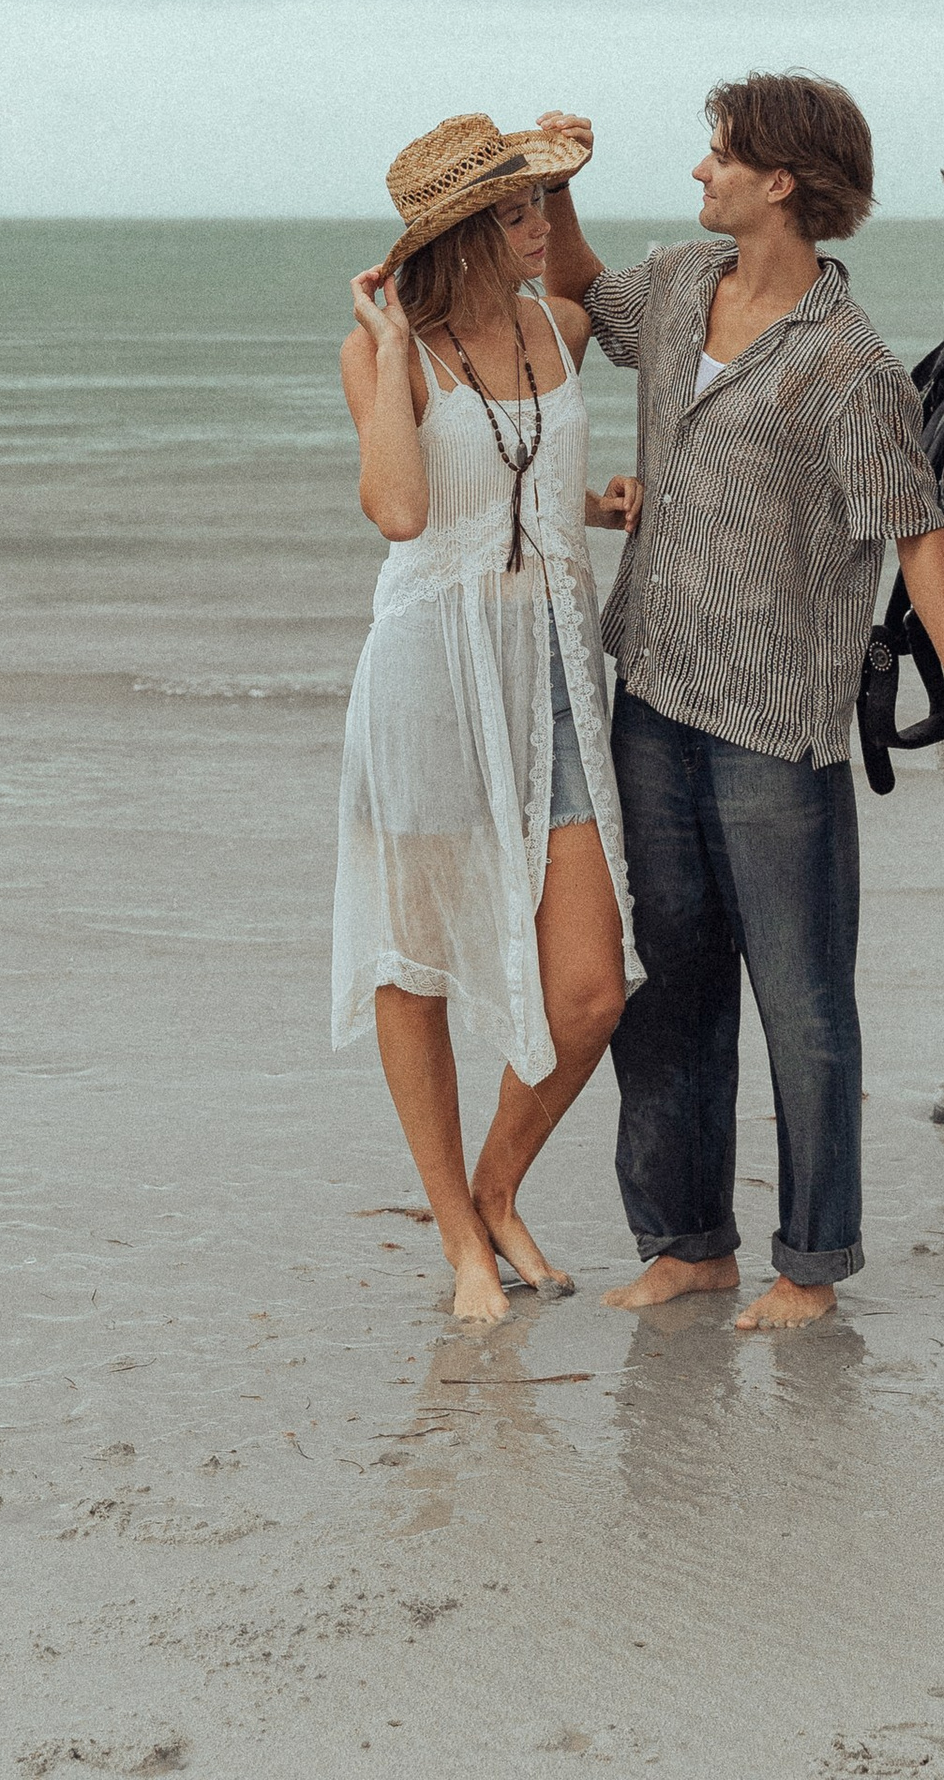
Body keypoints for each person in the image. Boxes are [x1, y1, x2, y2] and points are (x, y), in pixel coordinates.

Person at [537, 73, 944, 1330]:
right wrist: (551, 181)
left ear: (782, 184)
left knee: (801, 1000)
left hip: (779, 724)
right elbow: (583, 294)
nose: (700, 172)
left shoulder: (849, 367)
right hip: (650, 688)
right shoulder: (674, 284)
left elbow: (915, 534)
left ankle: (811, 1264)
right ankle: (688, 1243)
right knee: (676, 982)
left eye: (719, 156)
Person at [334, 112, 643, 1324]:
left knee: (590, 992)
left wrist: (593, 507)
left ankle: (494, 1183)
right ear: (461, 232)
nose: (540, 230)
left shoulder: (559, 330)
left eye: (540, 208)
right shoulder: (385, 355)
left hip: (555, 669)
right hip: (427, 674)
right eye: (517, 213)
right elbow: (406, 512)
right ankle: (462, 1239)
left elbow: (523, 479)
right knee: (417, 967)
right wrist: (382, 343)